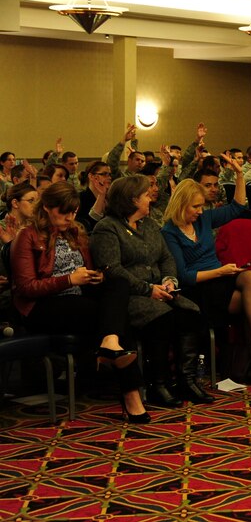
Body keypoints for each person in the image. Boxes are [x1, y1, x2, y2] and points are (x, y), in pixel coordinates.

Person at [10, 181, 149, 423]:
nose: (69, 217)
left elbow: (89, 269)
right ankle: (131, 395)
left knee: (118, 284)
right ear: (47, 208)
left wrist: (95, 277)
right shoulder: (27, 235)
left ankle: (110, 343)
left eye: (73, 212)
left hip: (78, 296)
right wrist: (69, 280)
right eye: (64, 212)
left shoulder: (76, 231)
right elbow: (26, 288)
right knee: (113, 318)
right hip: (42, 306)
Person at [90, 175, 213, 407]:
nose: (151, 199)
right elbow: (113, 270)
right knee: (161, 317)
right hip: (130, 296)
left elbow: (166, 257)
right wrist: (148, 289)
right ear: (132, 199)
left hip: (159, 289)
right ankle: (158, 383)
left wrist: (168, 280)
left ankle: (186, 380)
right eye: (146, 195)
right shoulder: (107, 228)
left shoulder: (148, 225)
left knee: (190, 312)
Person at [161, 156, 251, 389]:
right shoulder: (169, 232)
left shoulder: (203, 219)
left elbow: (238, 207)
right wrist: (220, 271)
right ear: (181, 205)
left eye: (200, 206)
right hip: (198, 289)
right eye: (195, 207)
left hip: (220, 279)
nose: (199, 211)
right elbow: (183, 276)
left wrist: (239, 175)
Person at [75, 161, 112, 231]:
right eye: (104, 174)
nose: (109, 177)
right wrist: (101, 195)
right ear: (91, 176)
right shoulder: (81, 198)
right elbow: (86, 225)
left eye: (109, 174)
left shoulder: (110, 198)